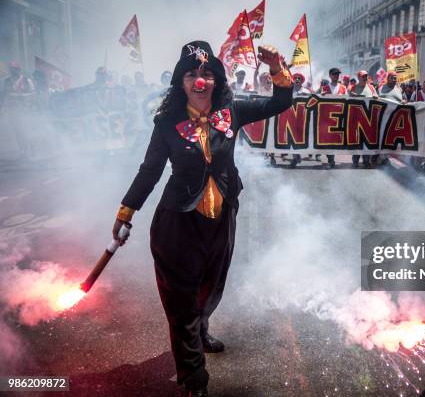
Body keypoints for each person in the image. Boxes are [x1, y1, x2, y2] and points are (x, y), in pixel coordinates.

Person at [112, 40, 292, 397]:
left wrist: (276, 68)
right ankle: (194, 379)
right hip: (178, 223)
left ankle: (200, 326)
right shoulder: (166, 123)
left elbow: (280, 102)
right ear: (181, 82)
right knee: (181, 305)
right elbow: (149, 171)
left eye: (207, 74)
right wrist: (126, 212)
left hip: (222, 216)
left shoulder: (233, 112)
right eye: (192, 74)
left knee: (211, 286)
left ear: (217, 80)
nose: (200, 81)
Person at [320, 67, 348, 168]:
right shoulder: (325, 88)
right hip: (328, 118)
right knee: (328, 139)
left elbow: (348, 101)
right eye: (334, 74)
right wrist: (321, 96)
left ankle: (333, 156)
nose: (336, 76)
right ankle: (330, 159)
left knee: (337, 139)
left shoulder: (344, 88)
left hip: (340, 117)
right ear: (330, 75)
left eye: (338, 74)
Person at [350, 70, 378, 168]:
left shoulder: (371, 87)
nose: (365, 78)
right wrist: (351, 95)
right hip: (356, 119)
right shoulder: (353, 87)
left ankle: (366, 160)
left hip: (369, 119)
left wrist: (375, 96)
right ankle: (355, 159)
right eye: (362, 76)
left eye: (366, 76)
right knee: (357, 140)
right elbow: (347, 101)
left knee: (367, 140)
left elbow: (377, 99)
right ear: (358, 78)